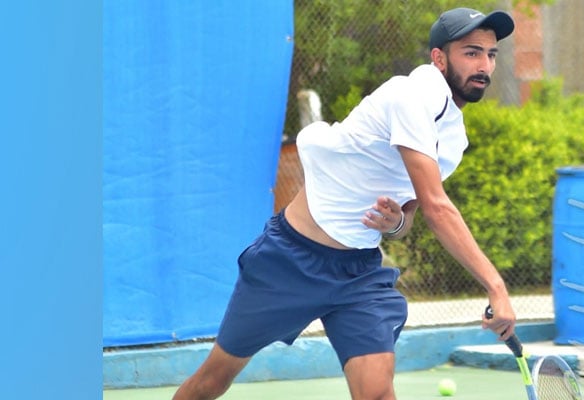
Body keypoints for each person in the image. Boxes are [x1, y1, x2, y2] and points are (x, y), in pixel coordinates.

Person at [173, 7, 517, 400]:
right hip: (289, 261)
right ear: (438, 58)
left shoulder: (452, 139)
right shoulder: (411, 94)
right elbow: (439, 207)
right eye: (471, 52)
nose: (485, 64)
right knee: (209, 384)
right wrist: (496, 285)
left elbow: (410, 215)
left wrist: (393, 226)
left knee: (375, 392)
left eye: (491, 54)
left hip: (357, 272)